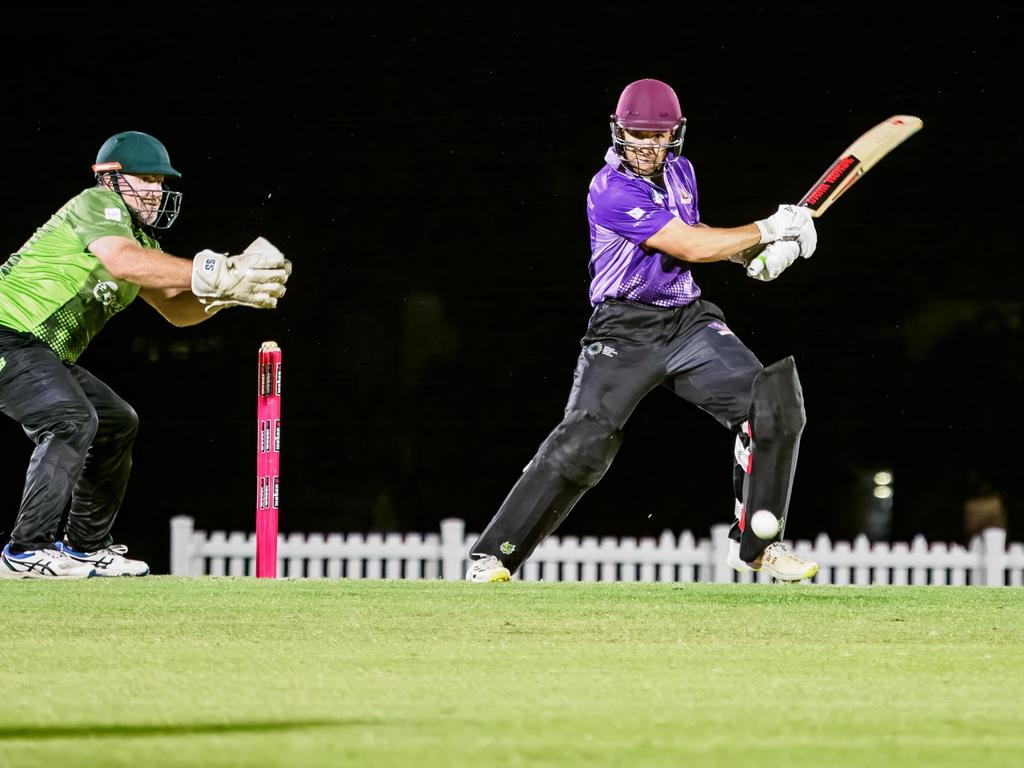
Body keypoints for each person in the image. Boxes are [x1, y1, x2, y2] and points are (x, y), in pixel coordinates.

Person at [466, 79, 819, 583]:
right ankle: (496, 555)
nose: (648, 146)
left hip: (687, 320)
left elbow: (694, 240)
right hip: (623, 329)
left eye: (658, 136)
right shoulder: (609, 189)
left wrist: (757, 257)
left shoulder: (682, 172)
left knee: (774, 404)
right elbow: (689, 247)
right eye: (637, 135)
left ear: (675, 133)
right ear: (618, 131)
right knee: (585, 441)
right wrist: (770, 227)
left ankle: (759, 547)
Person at [0, 130, 291, 579]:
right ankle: (24, 552)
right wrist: (221, 270)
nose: (156, 192)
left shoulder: (143, 243)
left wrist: (232, 293)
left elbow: (177, 310)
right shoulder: (95, 205)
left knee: (116, 423)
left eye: (160, 182)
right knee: (71, 419)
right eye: (146, 180)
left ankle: (84, 548)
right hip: (8, 334)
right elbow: (122, 262)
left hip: (40, 349)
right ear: (109, 178)